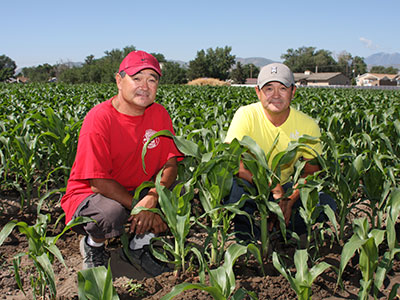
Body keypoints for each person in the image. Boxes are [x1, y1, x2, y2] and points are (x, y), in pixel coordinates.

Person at [60, 50, 182, 276]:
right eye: (137, 78)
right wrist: (139, 207)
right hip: (91, 195)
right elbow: (98, 182)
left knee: (178, 194)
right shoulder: (99, 118)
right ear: (119, 80)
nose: (144, 86)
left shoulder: (159, 114)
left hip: (138, 191)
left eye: (152, 79)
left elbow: (171, 164)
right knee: (111, 214)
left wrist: (154, 198)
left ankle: (138, 247)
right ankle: (93, 245)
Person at [224, 62, 336, 241]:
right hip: (253, 183)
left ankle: (281, 230)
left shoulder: (307, 125)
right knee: (235, 191)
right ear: (258, 92)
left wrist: (289, 200)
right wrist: (271, 186)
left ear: (293, 91)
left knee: (325, 203)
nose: (275, 95)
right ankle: (247, 240)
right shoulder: (246, 115)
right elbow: (234, 162)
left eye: (282, 88)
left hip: (287, 188)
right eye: (268, 88)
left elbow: (311, 172)